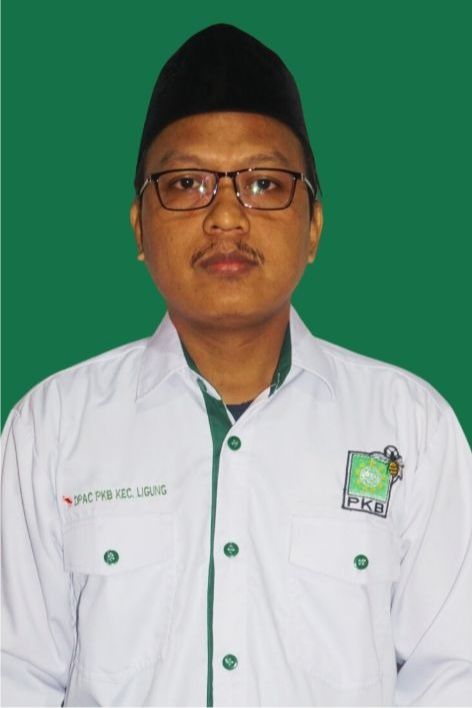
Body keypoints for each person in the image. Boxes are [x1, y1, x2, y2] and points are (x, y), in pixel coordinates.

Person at [1, 23, 471, 708]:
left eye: (264, 183)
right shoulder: (52, 428)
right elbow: (14, 677)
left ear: (313, 228)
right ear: (139, 227)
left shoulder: (410, 426)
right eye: (187, 183)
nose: (226, 217)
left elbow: (452, 675)